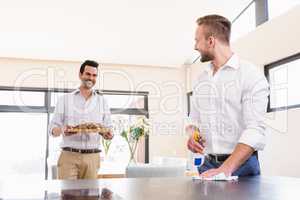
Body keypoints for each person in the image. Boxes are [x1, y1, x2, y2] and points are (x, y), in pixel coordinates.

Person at [187, 14, 269, 178]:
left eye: (197, 40)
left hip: (242, 167)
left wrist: (226, 169)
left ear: (211, 41)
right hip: (207, 165)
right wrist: (192, 136)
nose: (195, 46)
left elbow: (255, 129)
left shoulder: (250, 75)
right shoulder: (200, 80)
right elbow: (193, 121)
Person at [49, 60, 113, 179]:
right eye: (88, 74)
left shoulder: (102, 102)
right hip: (69, 156)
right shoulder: (65, 99)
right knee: (68, 196)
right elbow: (52, 129)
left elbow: (109, 129)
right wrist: (63, 129)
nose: (91, 78)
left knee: (91, 197)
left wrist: (108, 134)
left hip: (93, 158)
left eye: (94, 75)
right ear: (80, 74)